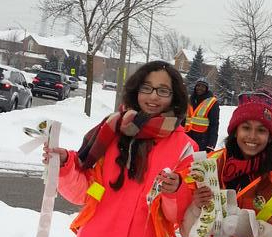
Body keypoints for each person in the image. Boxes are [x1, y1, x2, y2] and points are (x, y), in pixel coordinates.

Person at [42, 61, 195, 237]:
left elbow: (176, 216)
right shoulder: (110, 131)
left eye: (163, 90)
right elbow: (88, 192)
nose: (153, 97)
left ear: (174, 96)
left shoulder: (185, 147)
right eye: (146, 88)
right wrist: (65, 164)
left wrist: (174, 191)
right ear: (136, 90)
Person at [181, 89, 272, 236]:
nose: (252, 136)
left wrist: (258, 230)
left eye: (261, 130)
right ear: (236, 131)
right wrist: (196, 207)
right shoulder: (210, 166)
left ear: (270, 137)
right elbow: (185, 231)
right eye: (246, 128)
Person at [185, 77, 220, 152]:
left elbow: (214, 125)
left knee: (198, 163)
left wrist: (211, 145)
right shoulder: (190, 100)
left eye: (203, 86)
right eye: (198, 85)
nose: (200, 88)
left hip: (202, 141)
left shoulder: (212, 102)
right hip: (187, 137)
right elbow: (183, 119)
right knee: (185, 161)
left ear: (206, 88)